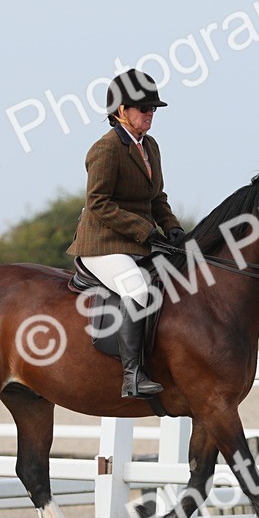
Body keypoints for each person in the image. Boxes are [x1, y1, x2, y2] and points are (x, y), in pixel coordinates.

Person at [67, 69, 186, 398]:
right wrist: (147, 231)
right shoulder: (106, 149)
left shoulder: (150, 146)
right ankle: (132, 375)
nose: (150, 115)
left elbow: (156, 197)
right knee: (137, 289)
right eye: (144, 108)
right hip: (103, 245)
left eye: (153, 109)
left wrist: (173, 229)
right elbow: (98, 203)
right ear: (120, 111)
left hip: (137, 242)